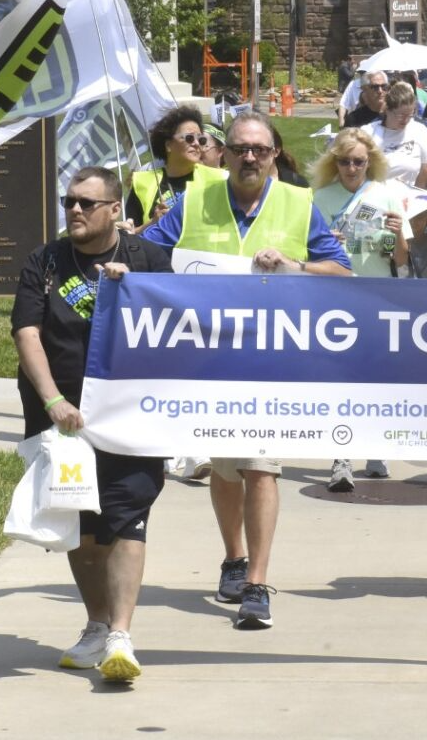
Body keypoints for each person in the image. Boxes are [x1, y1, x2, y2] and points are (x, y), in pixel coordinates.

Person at [143, 112, 352, 630]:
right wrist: (125, 262)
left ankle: (257, 583)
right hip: (208, 359)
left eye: (259, 149)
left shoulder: (297, 204)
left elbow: (341, 268)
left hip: (272, 361)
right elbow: (147, 249)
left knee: (262, 465)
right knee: (225, 468)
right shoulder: (196, 200)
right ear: (224, 153)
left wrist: (294, 266)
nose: (250, 157)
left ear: (275, 153)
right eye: (239, 149)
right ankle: (233, 557)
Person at [12, 166, 173, 682]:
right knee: (80, 524)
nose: (74, 211)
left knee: (126, 513)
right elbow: (27, 333)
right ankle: (97, 624)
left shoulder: (146, 260)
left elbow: (178, 326)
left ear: (113, 210)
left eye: (86, 203)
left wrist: (138, 291)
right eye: (69, 202)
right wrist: (54, 399)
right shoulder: (46, 261)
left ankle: (121, 636)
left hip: (129, 414)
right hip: (62, 417)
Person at [311, 127, 411, 488]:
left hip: (377, 294)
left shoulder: (384, 194)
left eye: (359, 162)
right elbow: (306, 254)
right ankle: (342, 456)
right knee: (342, 378)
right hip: (336, 296)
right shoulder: (320, 198)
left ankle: (376, 444)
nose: (352, 168)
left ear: (371, 163)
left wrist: (399, 232)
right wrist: (326, 244)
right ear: (333, 163)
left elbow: (400, 258)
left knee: (377, 377)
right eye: (344, 162)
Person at [126, 106, 227, 232]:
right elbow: (128, 235)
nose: (196, 143)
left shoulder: (220, 179)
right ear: (168, 145)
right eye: (189, 138)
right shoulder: (142, 182)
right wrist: (153, 222)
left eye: (201, 139)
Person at [363, 82, 427, 187]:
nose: (405, 120)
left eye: (410, 115)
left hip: (408, 195)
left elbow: (425, 170)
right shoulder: (368, 132)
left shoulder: (420, 131)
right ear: (388, 110)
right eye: (401, 115)